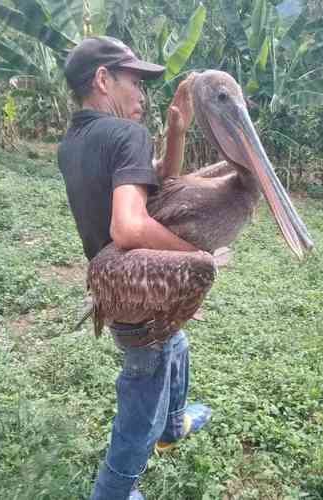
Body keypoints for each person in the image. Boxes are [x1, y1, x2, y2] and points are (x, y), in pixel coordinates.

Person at [58, 36, 211, 500]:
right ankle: (113, 491)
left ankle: (173, 424)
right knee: (140, 398)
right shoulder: (126, 134)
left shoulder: (74, 142)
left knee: (175, 345)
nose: (142, 95)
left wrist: (177, 132)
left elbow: (150, 181)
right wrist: (192, 254)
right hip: (139, 293)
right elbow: (129, 225)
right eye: (135, 82)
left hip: (117, 290)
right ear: (103, 80)